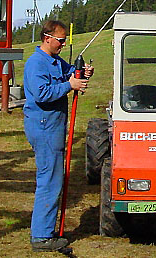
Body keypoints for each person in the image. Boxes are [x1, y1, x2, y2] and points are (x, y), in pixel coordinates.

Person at [23, 19, 93, 252]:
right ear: (47, 38)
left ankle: (44, 231)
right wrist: (69, 86)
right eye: (60, 41)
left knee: (54, 177)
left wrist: (81, 72)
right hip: (43, 127)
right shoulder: (37, 64)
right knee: (50, 180)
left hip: (53, 126)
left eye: (65, 41)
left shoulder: (53, 61)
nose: (63, 44)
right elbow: (42, 94)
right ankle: (42, 236)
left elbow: (69, 72)